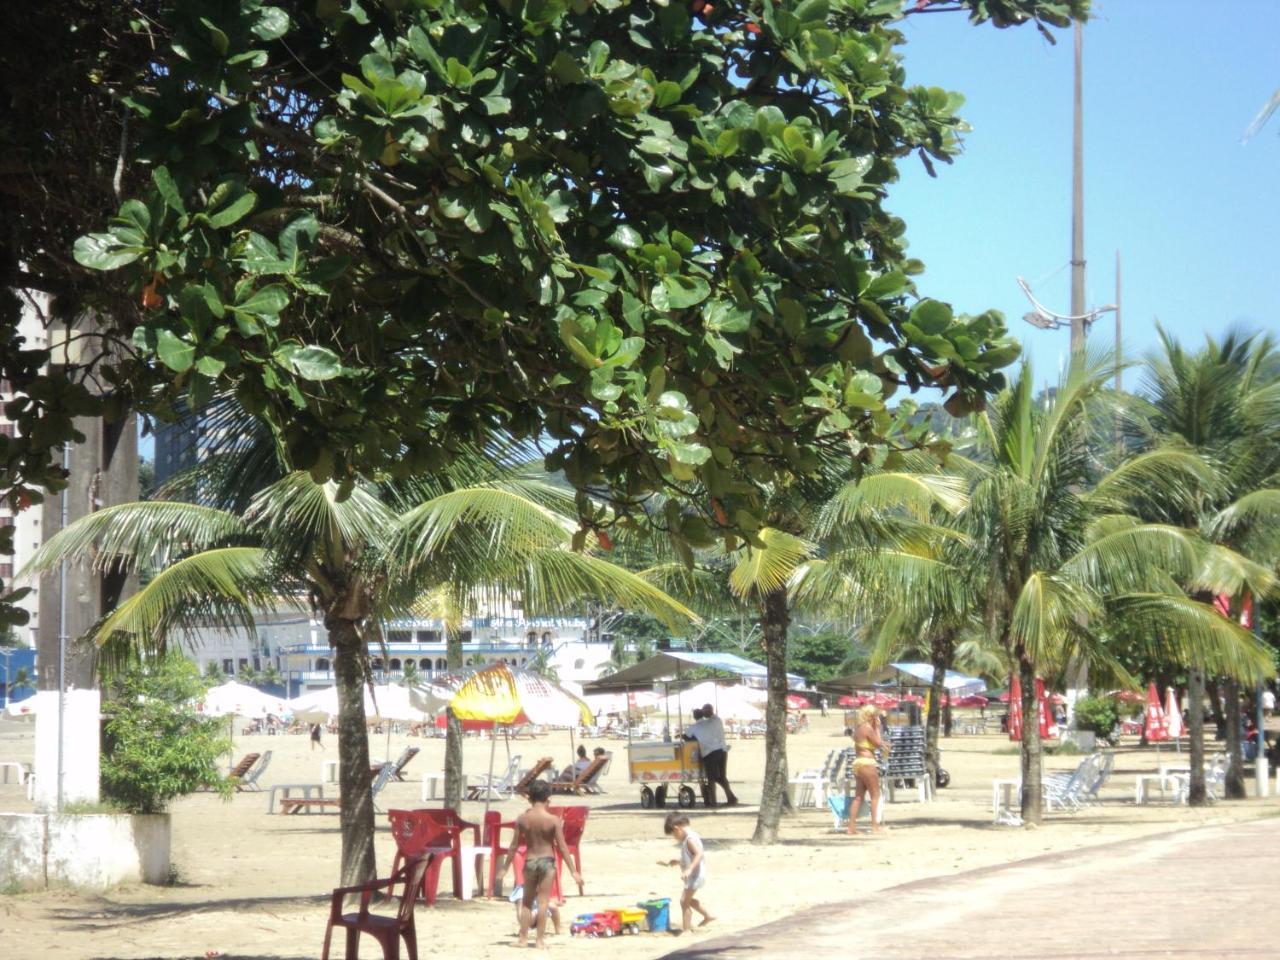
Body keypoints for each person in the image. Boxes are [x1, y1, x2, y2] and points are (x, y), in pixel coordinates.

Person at [497, 779, 582, 949]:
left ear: (529, 798)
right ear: (548, 798)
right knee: (543, 902)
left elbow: (513, 846)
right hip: (547, 862)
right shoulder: (553, 820)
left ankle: (522, 939)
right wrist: (574, 871)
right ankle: (539, 940)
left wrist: (505, 868)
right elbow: (563, 848)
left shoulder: (522, 819)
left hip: (530, 861)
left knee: (527, 902)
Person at [661, 812, 713, 933]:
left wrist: (689, 869)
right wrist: (678, 862)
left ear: (676, 829)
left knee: (684, 901)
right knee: (688, 900)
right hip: (695, 875)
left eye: (674, 835)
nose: (675, 838)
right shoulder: (691, 837)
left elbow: (698, 854)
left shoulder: (689, 840)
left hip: (695, 875)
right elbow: (690, 856)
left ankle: (686, 930)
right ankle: (708, 916)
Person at [683, 704, 738, 807]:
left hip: (709, 753)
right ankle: (731, 798)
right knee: (721, 777)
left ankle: (713, 802)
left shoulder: (696, 726)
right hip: (722, 750)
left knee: (711, 778)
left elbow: (686, 737)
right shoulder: (716, 721)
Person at [847, 705, 887, 836]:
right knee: (875, 795)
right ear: (871, 716)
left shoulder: (859, 728)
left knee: (859, 797)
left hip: (858, 763)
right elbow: (878, 743)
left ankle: (851, 827)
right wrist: (878, 728)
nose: (878, 717)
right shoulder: (868, 728)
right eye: (876, 715)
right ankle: (875, 827)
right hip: (867, 762)